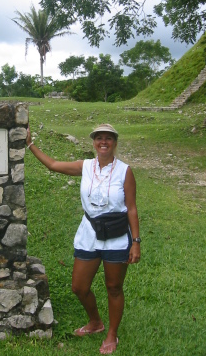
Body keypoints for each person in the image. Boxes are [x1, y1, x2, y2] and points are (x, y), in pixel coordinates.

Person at [26, 123, 140, 354]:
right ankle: (96, 322)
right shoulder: (86, 166)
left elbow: (131, 208)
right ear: (94, 142)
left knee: (114, 287)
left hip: (116, 236)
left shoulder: (124, 171)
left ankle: (112, 333)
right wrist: (30, 144)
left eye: (108, 138)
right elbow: (54, 165)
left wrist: (136, 242)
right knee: (79, 287)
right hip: (89, 233)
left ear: (115, 142)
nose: (104, 142)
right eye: (99, 138)